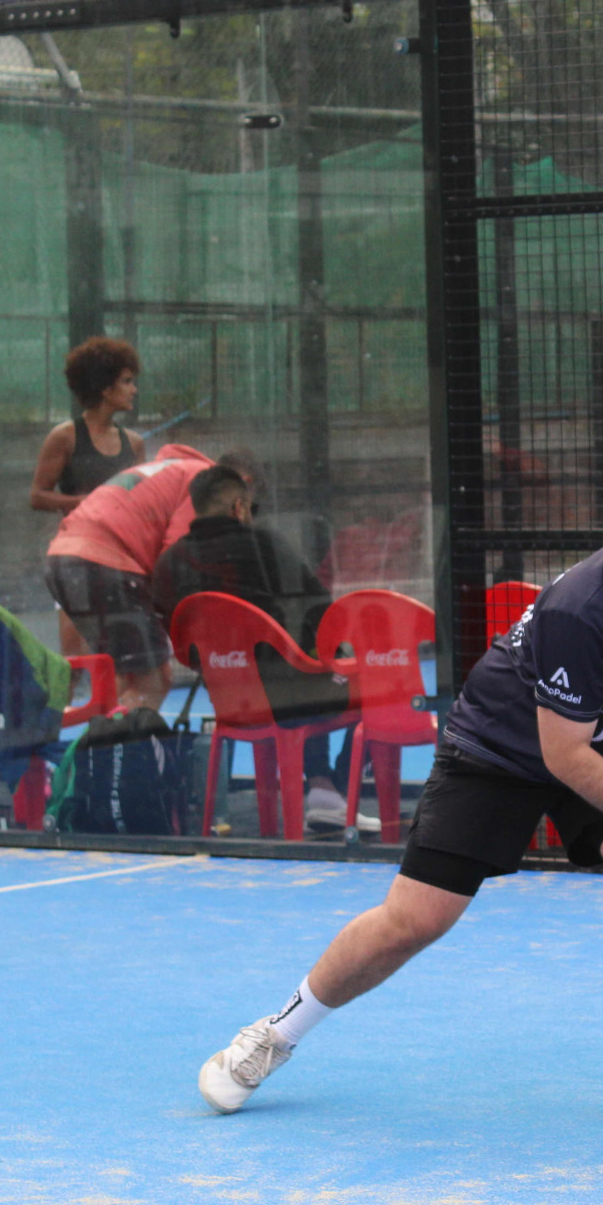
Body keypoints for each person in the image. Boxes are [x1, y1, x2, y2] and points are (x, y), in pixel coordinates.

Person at [197, 443, 603, 1125]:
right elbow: (564, 757)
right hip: (502, 749)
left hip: (599, 740)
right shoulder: (584, 608)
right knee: (413, 921)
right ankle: (274, 1035)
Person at [152, 462, 374, 834]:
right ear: (239, 507)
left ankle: (323, 788)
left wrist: (224, 663)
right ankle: (330, 788)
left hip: (229, 699)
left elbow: (179, 640)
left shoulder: (168, 564)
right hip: (287, 695)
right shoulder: (263, 545)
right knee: (375, 686)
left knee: (306, 671)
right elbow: (320, 610)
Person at [44, 442, 213, 713]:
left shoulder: (166, 469)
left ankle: (103, 734)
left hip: (63, 557)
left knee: (125, 670)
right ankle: (123, 738)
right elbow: (173, 559)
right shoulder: (205, 482)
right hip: (104, 562)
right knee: (153, 679)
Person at [30, 338, 145, 657]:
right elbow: (37, 496)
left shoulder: (134, 443)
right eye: (127, 381)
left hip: (122, 558)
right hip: (76, 559)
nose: (134, 390)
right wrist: (87, 502)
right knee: (76, 660)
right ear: (105, 388)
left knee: (123, 659)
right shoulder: (65, 437)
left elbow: (140, 502)